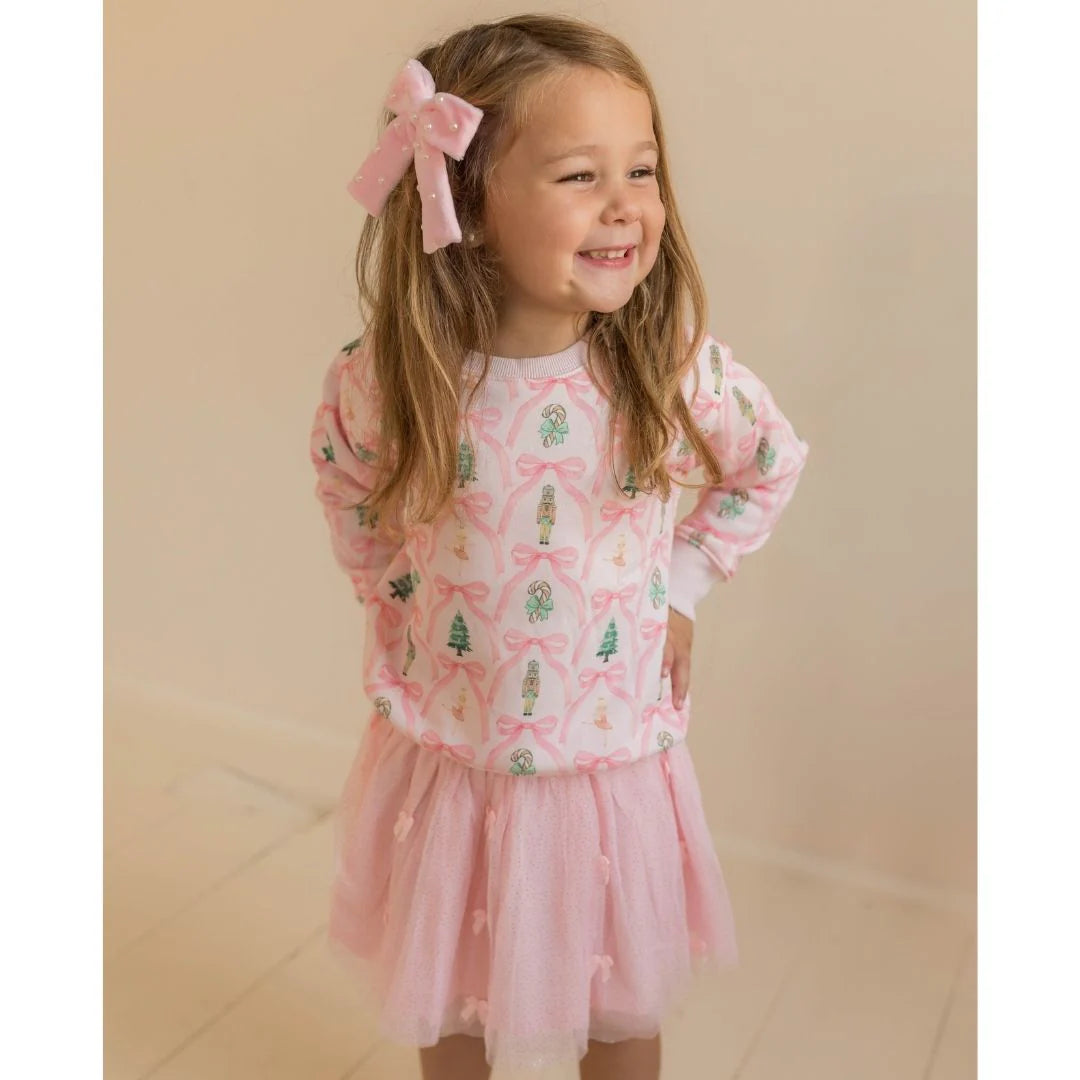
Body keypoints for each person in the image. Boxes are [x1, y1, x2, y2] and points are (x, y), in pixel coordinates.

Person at [308, 14, 810, 1079]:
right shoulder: (395, 376)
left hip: (604, 757)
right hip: (457, 747)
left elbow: (768, 461)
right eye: (582, 175)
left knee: (619, 1008)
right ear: (470, 206)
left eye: (643, 169)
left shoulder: (663, 367)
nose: (626, 204)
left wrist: (683, 583)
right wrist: (390, 595)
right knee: (448, 989)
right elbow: (344, 476)